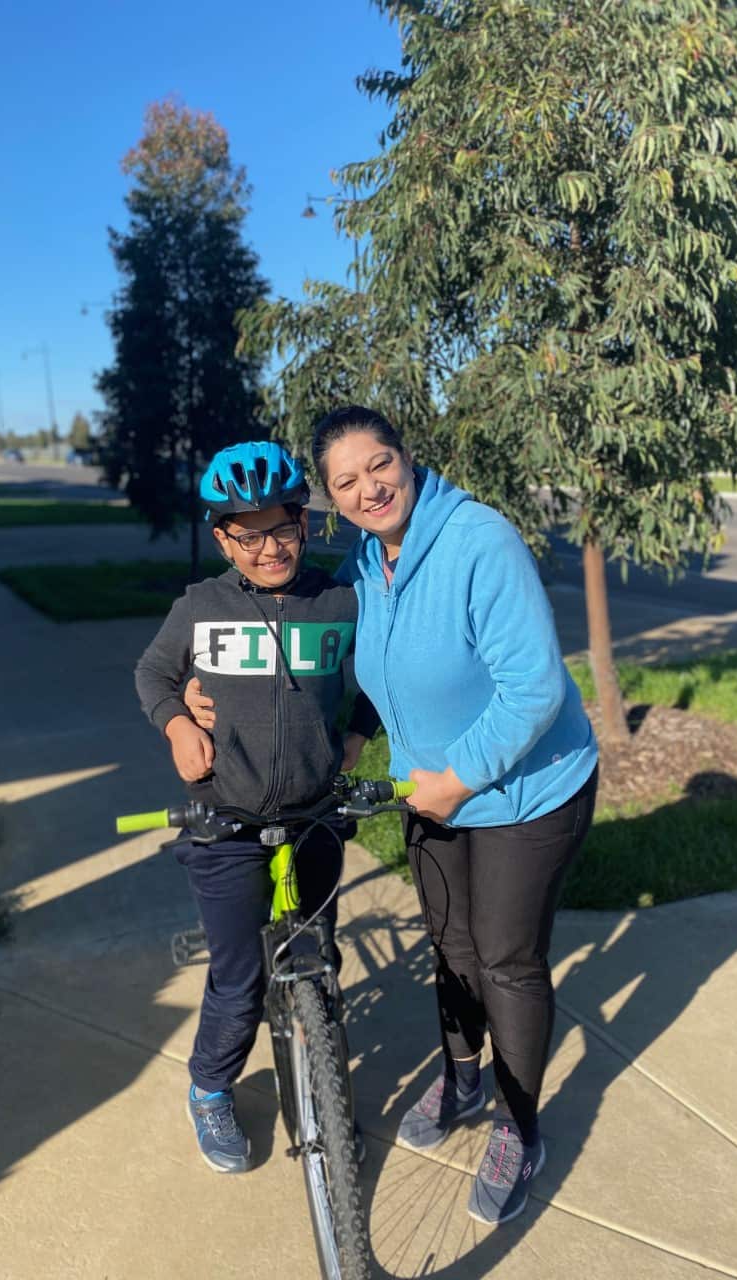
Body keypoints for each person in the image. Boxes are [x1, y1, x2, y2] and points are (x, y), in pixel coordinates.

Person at [187, 406, 597, 1224]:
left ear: (410, 461)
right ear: (332, 501)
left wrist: (458, 777)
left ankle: (520, 1128)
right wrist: (210, 705)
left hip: (525, 790)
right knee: (452, 944)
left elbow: (537, 689)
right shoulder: (368, 564)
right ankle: (462, 1075)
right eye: (347, 481)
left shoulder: (479, 541)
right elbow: (360, 673)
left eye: (380, 466)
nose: (369, 487)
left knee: (506, 959)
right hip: (431, 790)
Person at [134, 439, 377, 1174]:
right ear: (223, 539)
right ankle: (210, 1087)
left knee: (319, 962)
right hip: (225, 825)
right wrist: (178, 722)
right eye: (250, 533)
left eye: (285, 527)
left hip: (314, 815)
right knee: (238, 982)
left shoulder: (337, 602)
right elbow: (152, 673)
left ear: (306, 522)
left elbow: (373, 684)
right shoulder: (200, 607)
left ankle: (327, 1095)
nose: (271, 547)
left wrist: (359, 736)